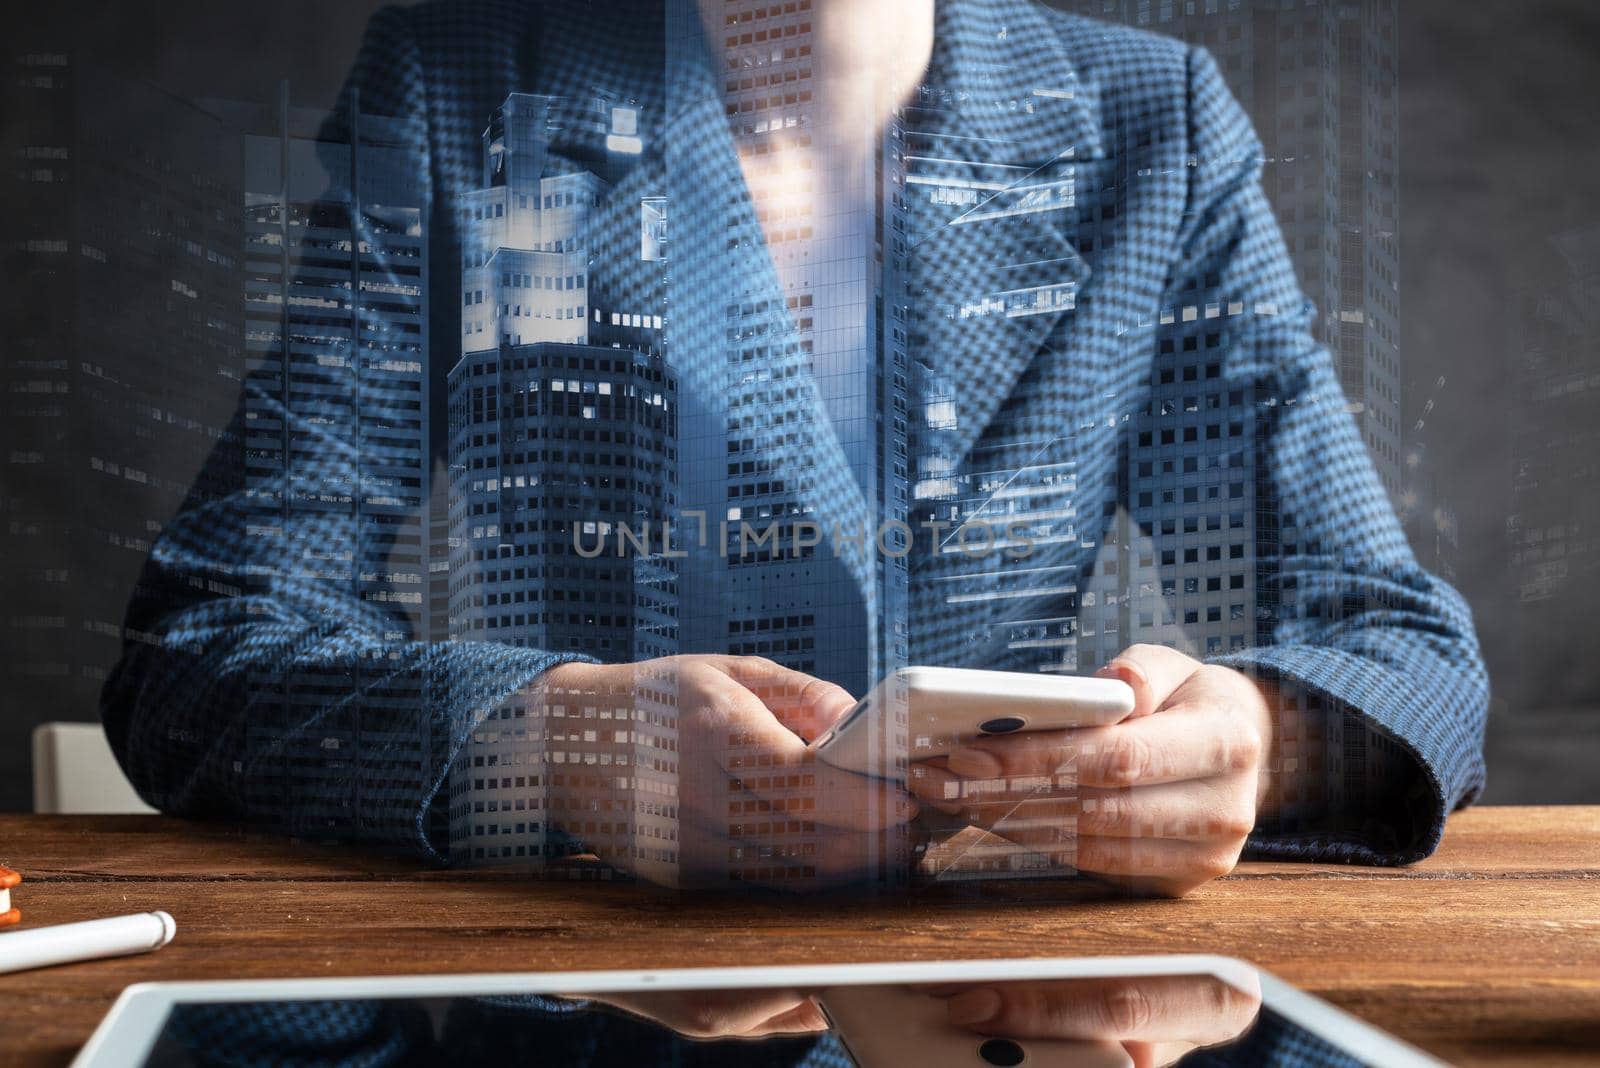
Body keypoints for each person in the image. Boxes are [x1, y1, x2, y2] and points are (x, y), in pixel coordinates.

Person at [102, 0, 1488, 896]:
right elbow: (206, 648)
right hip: (576, 1007)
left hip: (1001, 1002)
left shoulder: (1149, 127)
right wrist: (559, 742)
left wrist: (1256, 740)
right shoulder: (466, 89)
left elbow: (1403, 649)